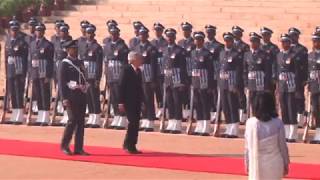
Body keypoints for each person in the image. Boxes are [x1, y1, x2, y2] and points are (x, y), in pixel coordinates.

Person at [245, 92, 289, 180]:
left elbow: (247, 148)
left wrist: (247, 164)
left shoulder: (250, 123)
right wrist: (286, 163)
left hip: (256, 164)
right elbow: (283, 147)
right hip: (275, 164)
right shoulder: (278, 123)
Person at [59, 40, 89, 156]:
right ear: (68, 50)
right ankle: (65, 145)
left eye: (76, 48)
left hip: (81, 94)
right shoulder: (65, 63)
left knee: (81, 122)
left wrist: (85, 86)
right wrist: (64, 98)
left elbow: (83, 77)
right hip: (70, 96)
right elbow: (62, 83)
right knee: (72, 120)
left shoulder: (80, 62)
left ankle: (79, 148)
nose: (75, 50)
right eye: (73, 49)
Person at [162, 28, 188, 134]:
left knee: (177, 102)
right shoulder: (164, 50)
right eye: (168, 37)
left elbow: (183, 67)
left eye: (171, 36)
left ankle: (177, 124)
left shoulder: (180, 51)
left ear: (174, 37)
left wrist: (182, 81)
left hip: (177, 79)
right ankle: (171, 122)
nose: (169, 38)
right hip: (168, 79)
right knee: (169, 102)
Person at [103, 26, 129, 130]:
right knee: (113, 97)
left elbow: (125, 63)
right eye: (112, 34)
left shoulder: (123, 46)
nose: (113, 36)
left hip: (119, 75)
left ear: (118, 34)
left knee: (120, 98)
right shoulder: (107, 46)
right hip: (111, 75)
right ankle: (116, 116)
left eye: (115, 34)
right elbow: (106, 61)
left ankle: (122, 117)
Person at [28, 23, 54, 126]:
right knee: (38, 95)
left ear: (43, 32)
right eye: (37, 31)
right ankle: (40, 116)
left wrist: (48, 75)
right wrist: (30, 74)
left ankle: (45, 116)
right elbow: (30, 60)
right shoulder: (32, 44)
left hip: (44, 73)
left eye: (41, 31)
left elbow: (50, 61)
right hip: (35, 72)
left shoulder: (48, 45)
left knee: (45, 95)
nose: (39, 32)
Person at [3, 20, 29, 124]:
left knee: (19, 93)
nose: (14, 32)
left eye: (15, 30)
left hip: (19, 71)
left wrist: (24, 73)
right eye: (12, 30)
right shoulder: (8, 41)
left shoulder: (22, 42)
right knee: (12, 93)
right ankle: (14, 113)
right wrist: (6, 71)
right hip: (10, 70)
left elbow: (25, 59)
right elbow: (6, 57)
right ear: (10, 30)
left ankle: (20, 114)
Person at [119, 51, 144, 154]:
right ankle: (130, 145)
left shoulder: (138, 71)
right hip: (128, 102)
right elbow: (121, 86)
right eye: (139, 58)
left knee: (135, 123)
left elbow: (140, 88)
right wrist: (120, 102)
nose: (141, 60)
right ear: (133, 59)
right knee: (132, 123)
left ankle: (129, 144)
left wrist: (142, 101)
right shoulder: (126, 70)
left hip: (136, 102)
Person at [190, 31, 214, 136]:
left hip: (204, 82)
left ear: (203, 41)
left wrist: (210, 85)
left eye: (199, 39)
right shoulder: (192, 53)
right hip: (195, 82)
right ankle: (199, 126)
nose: (197, 41)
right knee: (197, 104)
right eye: (196, 39)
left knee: (205, 105)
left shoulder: (207, 54)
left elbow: (211, 70)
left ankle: (206, 127)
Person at [218, 32, 242, 138]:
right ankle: (228, 128)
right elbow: (220, 68)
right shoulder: (222, 53)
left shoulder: (236, 54)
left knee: (233, 106)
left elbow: (238, 70)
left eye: (229, 41)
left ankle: (234, 129)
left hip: (232, 82)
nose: (227, 42)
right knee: (225, 106)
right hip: (223, 82)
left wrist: (236, 84)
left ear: (233, 42)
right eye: (226, 40)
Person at [134, 26, 158, 132]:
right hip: (139, 77)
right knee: (141, 100)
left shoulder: (151, 48)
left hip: (148, 77)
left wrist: (153, 79)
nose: (142, 36)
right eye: (140, 34)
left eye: (144, 34)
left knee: (149, 99)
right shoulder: (137, 47)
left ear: (147, 36)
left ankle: (150, 121)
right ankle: (144, 119)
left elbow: (154, 65)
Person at [243, 32, 272, 117]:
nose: (253, 43)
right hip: (251, 83)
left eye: (255, 41)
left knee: (261, 103)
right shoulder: (247, 54)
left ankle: (261, 118)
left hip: (261, 83)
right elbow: (245, 70)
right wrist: (246, 83)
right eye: (251, 41)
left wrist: (266, 86)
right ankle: (254, 119)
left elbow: (267, 71)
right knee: (252, 103)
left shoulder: (264, 54)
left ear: (259, 43)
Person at [277, 34, 299, 143]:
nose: (284, 44)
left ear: (289, 43)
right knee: (284, 108)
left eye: (286, 42)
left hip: (291, 85)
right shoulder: (279, 55)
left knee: (291, 108)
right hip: (282, 85)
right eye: (282, 42)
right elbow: (277, 70)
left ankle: (293, 133)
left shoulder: (294, 55)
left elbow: (297, 72)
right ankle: (285, 132)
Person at [81, 24, 103, 128]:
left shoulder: (97, 47)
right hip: (85, 76)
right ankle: (91, 117)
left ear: (94, 34)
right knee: (88, 97)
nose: (89, 35)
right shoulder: (84, 45)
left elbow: (99, 64)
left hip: (93, 76)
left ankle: (97, 118)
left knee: (94, 97)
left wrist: (97, 78)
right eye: (87, 33)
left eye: (91, 33)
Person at [288, 28, 308, 128]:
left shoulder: (302, 49)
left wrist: (305, 79)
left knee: (299, 99)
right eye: (291, 36)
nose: (292, 38)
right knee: (289, 99)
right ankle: (291, 119)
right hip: (287, 80)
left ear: (297, 37)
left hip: (298, 78)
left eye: (294, 36)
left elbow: (306, 65)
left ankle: (300, 120)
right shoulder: (286, 49)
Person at [204, 25, 224, 122]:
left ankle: (217, 113)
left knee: (216, 94)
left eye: (211, 33)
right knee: (208, 94)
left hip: (215, 73)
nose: (209, 35)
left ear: (214, 34)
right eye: (207, 33)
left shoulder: (219, 46)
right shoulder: (204, 45)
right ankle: (211, 112)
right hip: (206, 74)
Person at [232, 26, 250, 124]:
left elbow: (246, 61)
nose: (235, 36)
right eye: (234, 34)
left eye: (237, 34)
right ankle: (234, 115)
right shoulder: (229, 46)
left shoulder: (244, 46)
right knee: (232, 96)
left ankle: (242, 116)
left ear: (241, 35)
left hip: (241, 73)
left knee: (241, 95)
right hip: (231, 74)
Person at [150, 22, 167, 120]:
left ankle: (166, 109)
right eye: (156, 30)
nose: (157, 32)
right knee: (157, 92)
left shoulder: (165, 43)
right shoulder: (151, 43)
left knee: (164, 90)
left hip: (163, 71)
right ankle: (160, 108)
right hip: (155, 70)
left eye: (159, 30)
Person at [307, 32, 320, 144]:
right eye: (314, 41)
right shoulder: (310, 55)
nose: (315, 43)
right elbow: (308, 71)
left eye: (317, 41)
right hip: (314, 86)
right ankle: (318, 134)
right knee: (315, 110)